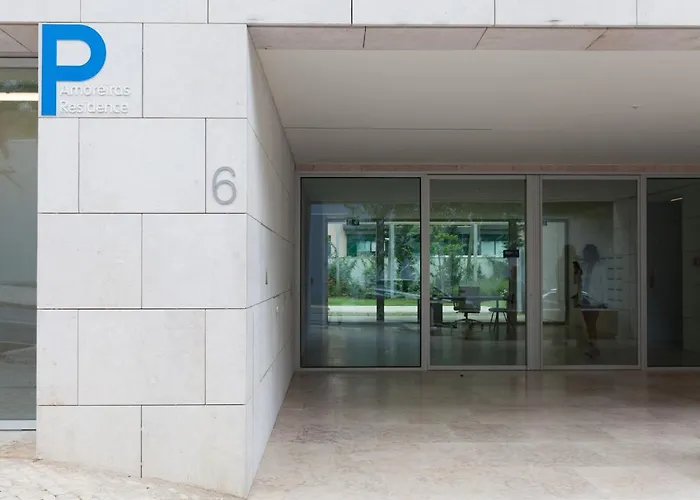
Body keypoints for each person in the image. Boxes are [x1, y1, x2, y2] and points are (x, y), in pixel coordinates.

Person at [578, 244, 604, 359]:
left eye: (587, 254)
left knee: (592, 324)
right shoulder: (584, 267)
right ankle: (592, 346)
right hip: (585, 299)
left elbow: (604, 285)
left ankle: (595, 347)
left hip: (595, 300)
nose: (585, 256)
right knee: (588, 325)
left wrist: (604, 301)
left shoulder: (600, 268)